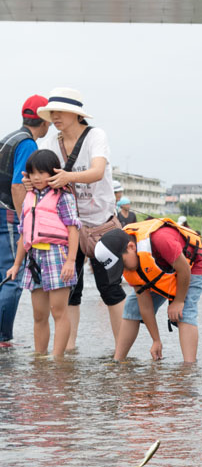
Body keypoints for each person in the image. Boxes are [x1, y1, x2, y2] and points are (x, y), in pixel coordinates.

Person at [40, 87, 125, 348]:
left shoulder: (95, 136)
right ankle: (69, 348)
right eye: (51, 112)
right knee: (70, 292)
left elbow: (98, 171)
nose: (54, 117)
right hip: (69, 226)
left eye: (60, 112)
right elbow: (41, 170)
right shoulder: (52, 142)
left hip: (102, 225)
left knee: (110, 290)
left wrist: (67, 177)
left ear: (76, 115)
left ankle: (121, 349)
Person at [101, 217, 202, 363]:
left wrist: (178, 301)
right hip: (162, 270)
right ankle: (117, 361)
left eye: (123, 264)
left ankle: (189, 369)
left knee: (185, 311)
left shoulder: (161, 240)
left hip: (192, 264)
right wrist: (156, 340)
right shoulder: (131, 264)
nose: (124, 270)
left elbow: (184, 270)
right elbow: (145, 306)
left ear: (131, 247)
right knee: (132, 306)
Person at [4, 149, 79, 357]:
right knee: (39, 314)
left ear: (54, 172)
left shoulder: (63, 196)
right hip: (34, 258)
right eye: (33, 173)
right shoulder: (29, 197)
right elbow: (23, 234)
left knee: (59, 311)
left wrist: (71, 261)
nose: (37, 177)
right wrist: (16, 265)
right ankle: (40, 358)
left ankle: (57, 359)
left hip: (57, 256)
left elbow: (74, 229)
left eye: (42, 172)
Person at [0, 95, 49, 345]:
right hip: (7, 212)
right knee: (13, 276)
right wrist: (25, 222)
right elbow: (18, 185)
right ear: (43, 121)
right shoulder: (28, 144)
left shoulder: (8, 138)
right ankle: (3, 336)